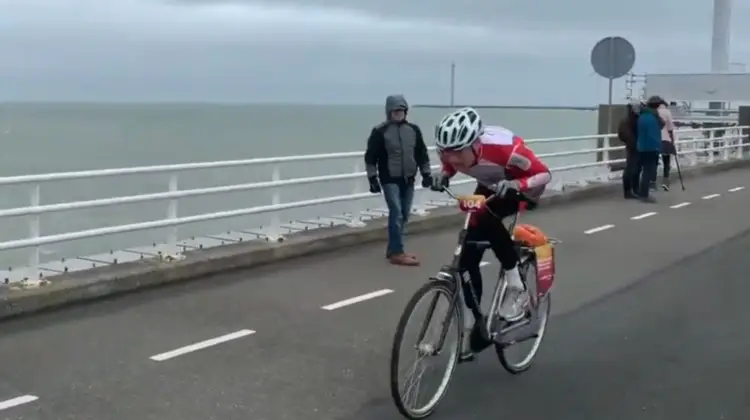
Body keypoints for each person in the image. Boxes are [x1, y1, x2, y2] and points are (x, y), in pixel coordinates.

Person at [430, 107, 551, 359]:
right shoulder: (451, 151)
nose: (453, 160)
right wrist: (443, 175)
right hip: (489, 185)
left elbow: (544, 174)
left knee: (485, 216)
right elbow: (449, 166)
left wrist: (517, 184)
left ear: (475, 144)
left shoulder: (505, 150)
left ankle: (516, 283)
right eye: (446, 154)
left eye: (458, 154)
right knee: (467, 259)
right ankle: (477, 323)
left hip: (520, 186)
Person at [364, 94, 432, 266]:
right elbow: (370, 157)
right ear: (389, 112)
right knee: (396, 213)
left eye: (402, 110)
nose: (399, 113)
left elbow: (422, 154)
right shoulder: (380, 132)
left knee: (405, 215)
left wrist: (426, 174)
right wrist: (372, 178)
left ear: (406, 111)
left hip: (408, 179)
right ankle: (397, 253)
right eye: (396, 110)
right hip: (389, 179)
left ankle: (393, 249)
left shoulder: (413, 130)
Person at [636, 99, 665, 203]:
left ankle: (641, 192)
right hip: (651, 148)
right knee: (648, 171)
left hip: (641, 146)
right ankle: (644, 194)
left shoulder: (642, 117)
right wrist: (658, 146)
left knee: (644, 171)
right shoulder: (653, 118)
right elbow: (659, 128)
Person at [650, 96, 676, 191]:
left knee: (654, 162)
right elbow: (670, 128)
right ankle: (665, 181)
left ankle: (652, 182)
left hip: (654, 139)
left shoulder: (652, 112)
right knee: (666, 161)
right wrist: (672, 140)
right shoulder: (667, 112)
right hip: (666, 139)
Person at [617, 101, 641, 198]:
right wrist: (632, 142)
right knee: (631, 169)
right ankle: (628, 191)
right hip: (633, 147)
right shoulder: (628, 121)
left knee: (637, 169)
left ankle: (635, 189)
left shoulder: (635, 120)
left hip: (636, 146)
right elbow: (623, 134)